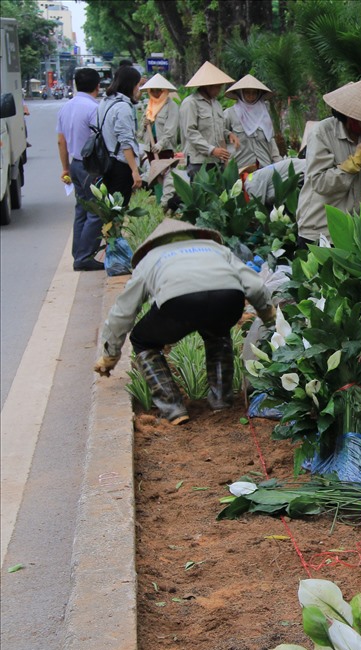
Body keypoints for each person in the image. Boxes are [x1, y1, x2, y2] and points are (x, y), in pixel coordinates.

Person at [94, 219, 276, 425]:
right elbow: (255, 285)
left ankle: (172, 407)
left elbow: (123, 311)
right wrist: (269, 317)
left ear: (155, 243)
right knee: (218, 331)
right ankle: (221, 399)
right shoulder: (216, 249)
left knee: (143, 340)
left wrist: (110, 354)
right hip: (228, 300)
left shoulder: (151, 258)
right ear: (194, 236)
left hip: (179, 304)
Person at [296, 77, 361, 246]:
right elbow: (319, 183)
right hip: (319, 231)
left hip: (355, 233)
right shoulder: (322, 134)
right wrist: (354, 162)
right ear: (349, 117)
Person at [56, 67, 104, 271]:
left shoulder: (66, 108)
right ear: (97, 86)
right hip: (90, 166)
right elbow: (100, 138)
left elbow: (61, 141)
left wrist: (65, 168)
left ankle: (78, 252)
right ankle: (84, 256)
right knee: (96, 210)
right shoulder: (94, 108)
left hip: (75, 164)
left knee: (81, 209)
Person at [179, 62, 236, 178]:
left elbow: (218, 128)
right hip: (199, 161)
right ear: (207, 86)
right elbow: (190, 132)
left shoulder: (217, 105)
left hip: (217, 160)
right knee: (201, 194)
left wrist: (228, 134)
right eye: (217, 86)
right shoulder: (191, 103)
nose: (220, 90)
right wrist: (211, 150)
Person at [97, 65, 143, 206]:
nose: (138, 89)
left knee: (110, 209)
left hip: (107, 161)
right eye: (137, 85)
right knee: (118, 210)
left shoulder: (106, 101)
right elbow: (125, 142)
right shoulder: (122, 107)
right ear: (131, 84)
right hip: (121, 166)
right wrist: (135, 170)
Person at [223, 75, 281, 171]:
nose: (251, 96)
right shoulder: (230, 114)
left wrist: (278, 162)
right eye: (247, 93)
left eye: (254, 93)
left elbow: (270, 140)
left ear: (259, 94)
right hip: (240, 167)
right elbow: (220, 135)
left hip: (264, 166)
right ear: (241, 93)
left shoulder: (264, 114)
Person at [139, 73, 180, 160]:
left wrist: (160, 144)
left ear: (164, 91)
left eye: (158, 90)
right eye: (152, 91)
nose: (155, 93)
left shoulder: (171, 106)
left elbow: (171, 129)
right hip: (150, 145)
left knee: (164, 172)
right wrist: (145, 124)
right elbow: (142, 129)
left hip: (165, 148)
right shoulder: (150, 105)